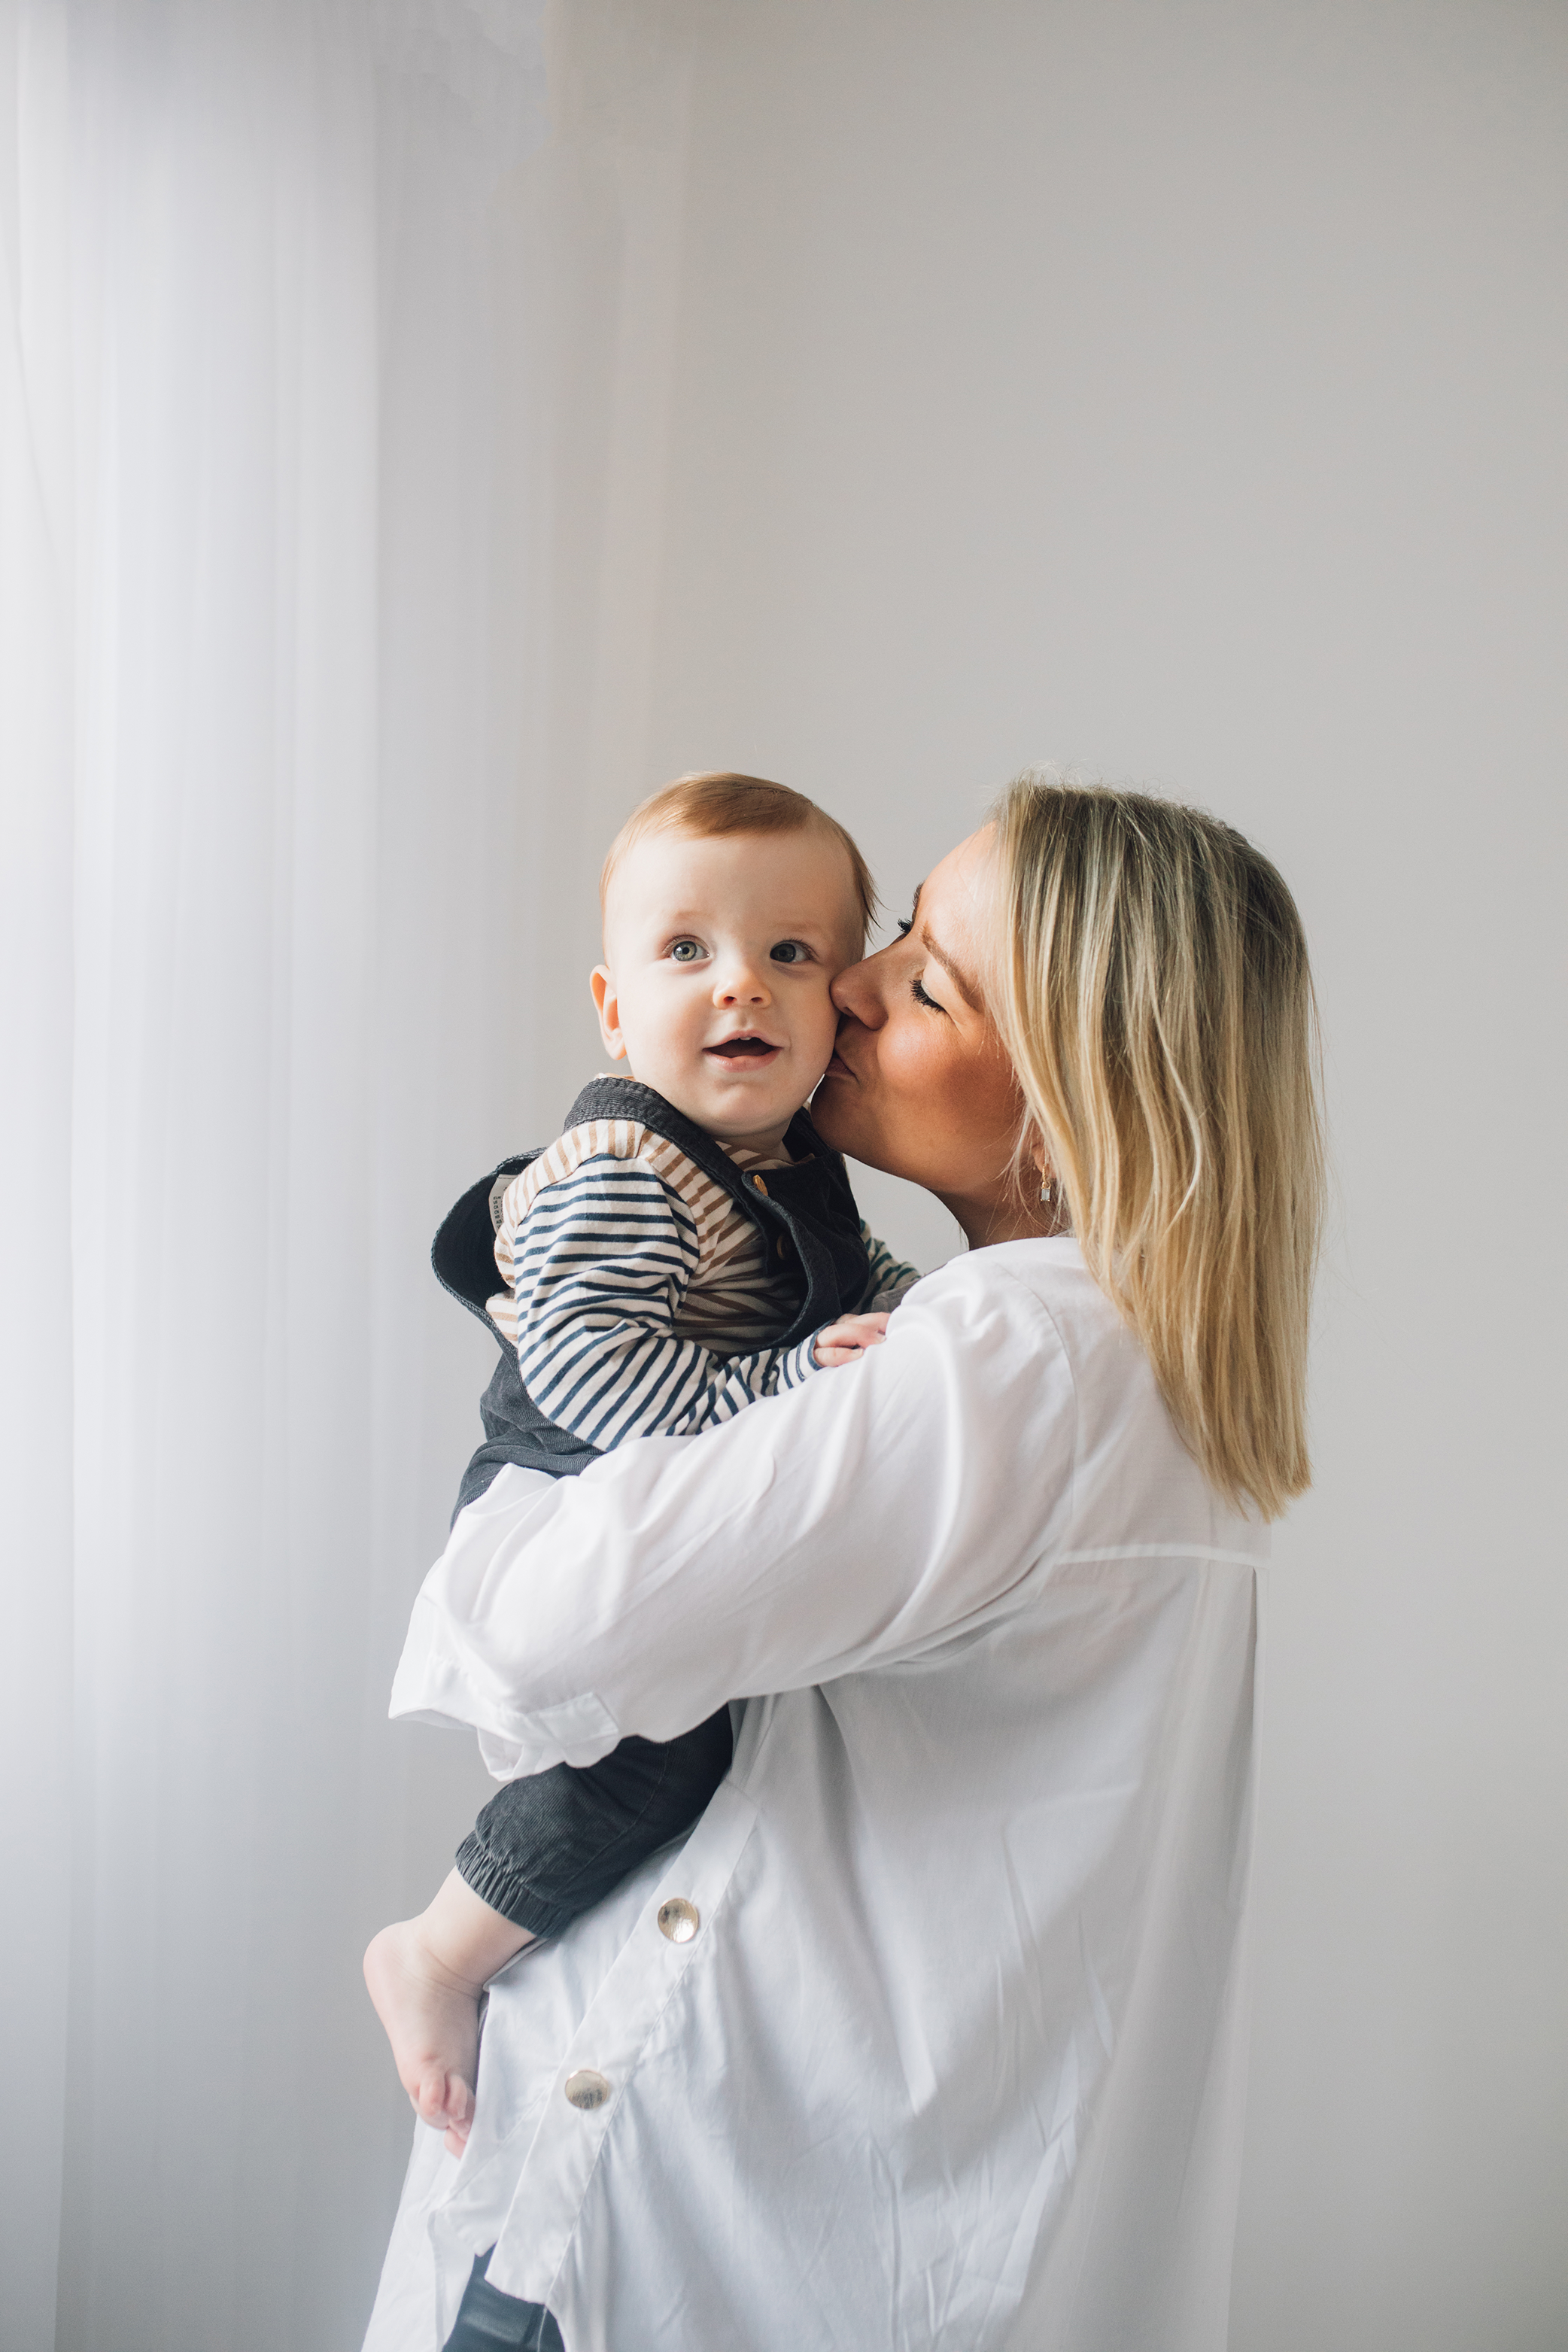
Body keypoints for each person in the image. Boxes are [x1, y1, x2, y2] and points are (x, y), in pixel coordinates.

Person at [363, 772, 1324, 2352]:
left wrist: (535, 1439)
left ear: (1077, 1100)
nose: (845, 987)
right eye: (891, 937)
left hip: (658, 2229)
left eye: (927, 980)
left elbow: (529, 1632)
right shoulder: (1140, 1369)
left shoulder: (1007, 1352)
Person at [364, 773, 918, 2153]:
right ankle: (436, 1948)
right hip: (560, 1492)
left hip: (664, 1474)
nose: (744, 984)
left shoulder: (790, 1164)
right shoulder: (621, 1161)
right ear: (613, 1009)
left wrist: (924, 1316)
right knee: (656, 1762)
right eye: (688, 950)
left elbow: (851, 1285)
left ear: (841, 1002)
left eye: (793, 952)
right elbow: (590, 1370)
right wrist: (785, 1382)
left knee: (725, 1744)